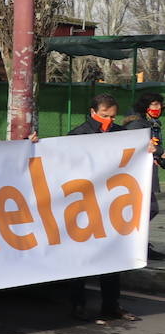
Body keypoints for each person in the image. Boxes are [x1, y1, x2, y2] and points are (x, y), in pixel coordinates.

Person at [66, 93, 139, 322]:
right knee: (82, 259)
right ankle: (77, 304)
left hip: (111, 206)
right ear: (93, 112)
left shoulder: (121, 134)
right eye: (104, 115)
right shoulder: (78, 135)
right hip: (83, 206)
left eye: (112, 116)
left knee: (111, 258)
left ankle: (111, 305)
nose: (109, 120)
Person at [120, 91, 165, 261]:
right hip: (136, 174)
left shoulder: (153, 123)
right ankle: (134, 244)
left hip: (145, 172)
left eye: (159, 104)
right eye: (153, 104)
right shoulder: (137, 124)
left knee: (147, 210)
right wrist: (160, 153)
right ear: (145, 105)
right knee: (148, 209)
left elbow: (155, 147)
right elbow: (140, 145)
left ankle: (138, 243)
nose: (157, 108)